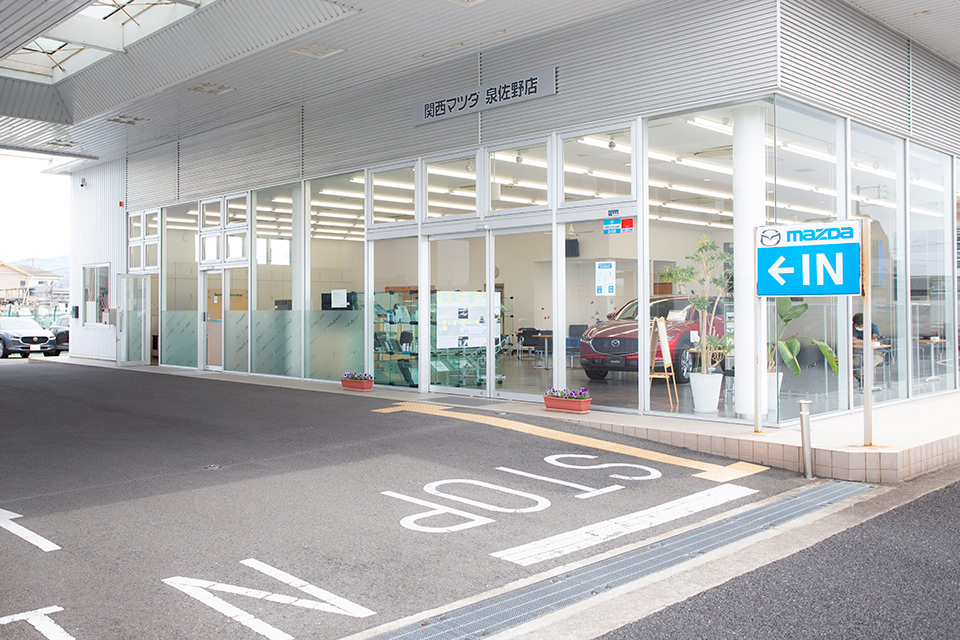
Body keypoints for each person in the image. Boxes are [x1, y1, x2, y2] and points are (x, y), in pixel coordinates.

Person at [852, 312, 883, 381]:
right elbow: (853, 340)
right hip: (859, 352)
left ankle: (870, 381)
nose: (857, 326)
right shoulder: (853, 328)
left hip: (875, 352)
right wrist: (868, 341)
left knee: (869, 364)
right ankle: (862, 380)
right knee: (854, 365)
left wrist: (859, 341)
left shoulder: (873, 327)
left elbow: (875, 341)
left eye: (860, 325)